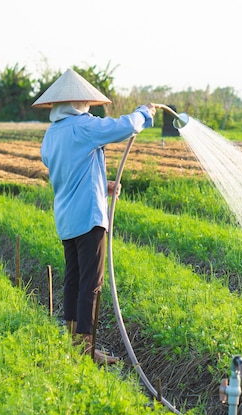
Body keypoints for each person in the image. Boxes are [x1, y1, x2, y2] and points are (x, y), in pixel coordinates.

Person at [32, 68, 156, 365]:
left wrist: (104, 184)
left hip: (66, 219)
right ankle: (87, 349)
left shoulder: (51, 136)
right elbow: (123, 127)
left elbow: (69, 173)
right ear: (79, 103)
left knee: (74, 281)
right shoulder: (82, 127)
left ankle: (75, 343)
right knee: (91, 283)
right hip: (88, 218)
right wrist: (144, 112)